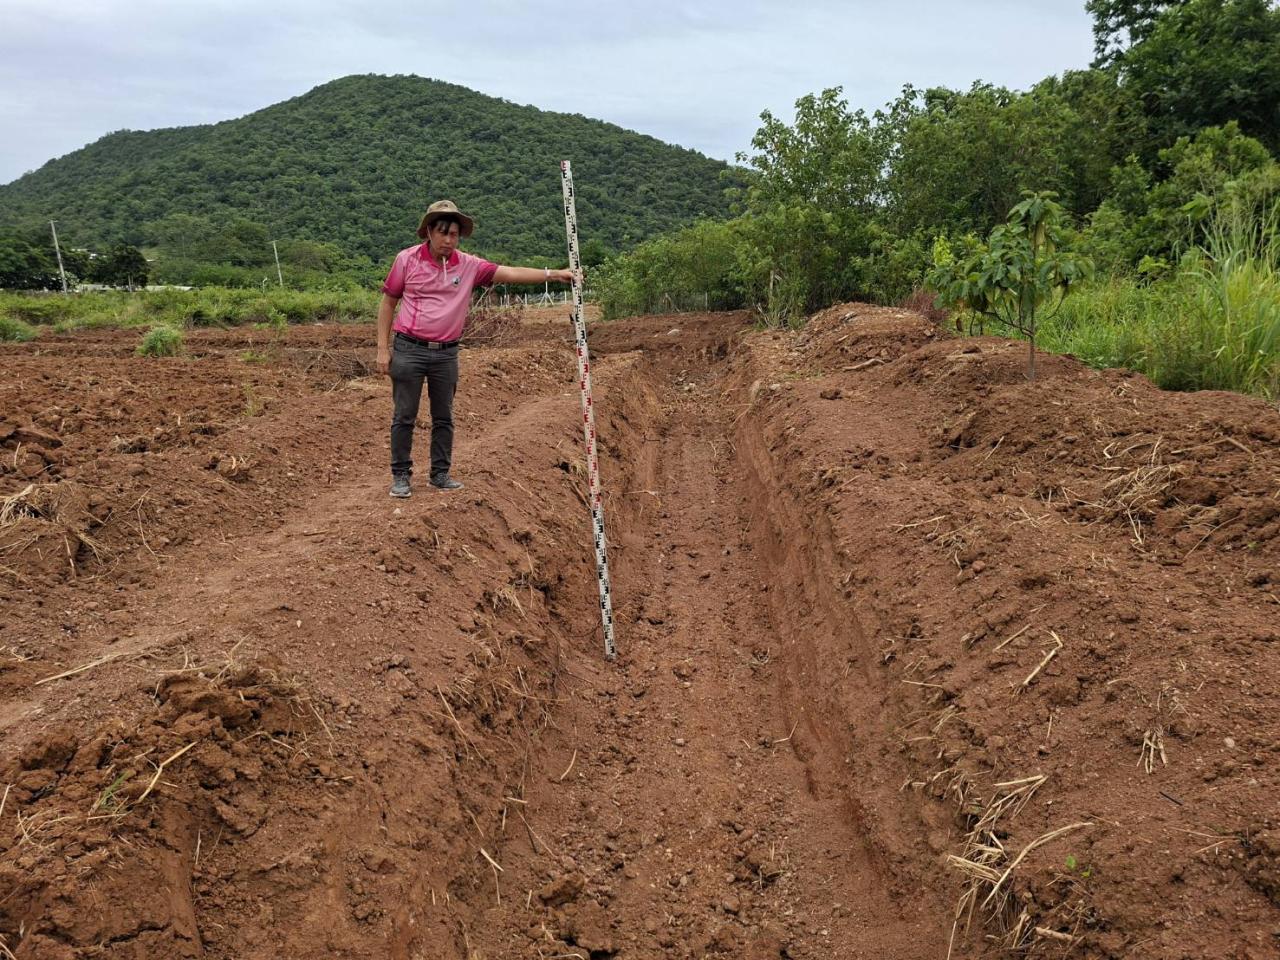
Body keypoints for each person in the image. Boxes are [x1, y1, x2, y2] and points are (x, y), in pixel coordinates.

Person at [376, 200, 576, 497]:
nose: (448, 240)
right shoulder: (407, 260)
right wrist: (382, 348)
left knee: (444, 416)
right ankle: (401, 475)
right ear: (429, 231)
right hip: (409, 349)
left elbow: (510, 273)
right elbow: (388, 303)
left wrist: (555, 274)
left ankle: (440, 474)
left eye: (454, 234)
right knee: (404, 415)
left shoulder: (469, 265)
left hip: (446, 353)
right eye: (442, 232)